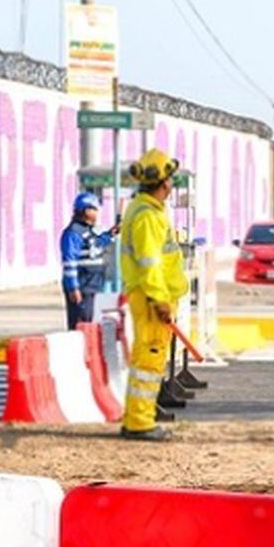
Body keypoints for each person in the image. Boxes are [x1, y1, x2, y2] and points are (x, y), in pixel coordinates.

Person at [118, 149, 188, 442]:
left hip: (149, 296)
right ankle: (140, 422)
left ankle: (137, 418)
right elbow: (150, 264)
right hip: (151, 299)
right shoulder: (148, 216)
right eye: (170, 179)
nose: (172, 185)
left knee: (147, 358)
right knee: (150, 358)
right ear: (162, 183)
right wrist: (160, 300)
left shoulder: (146, 210)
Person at [60, 192, 113, 329]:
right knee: (80, 324)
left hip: (93, 285)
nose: (97, 213)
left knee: (90, 323)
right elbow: (69, 261)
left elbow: (95, 245)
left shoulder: (88, 231)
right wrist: (73, 287)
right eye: (94, 209)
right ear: (86, 211)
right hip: (82, 286)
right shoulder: (72, 233)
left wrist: (110, 235)